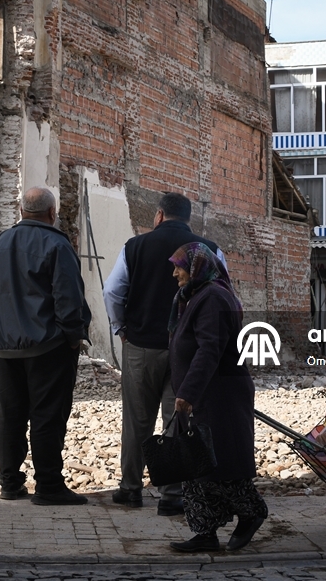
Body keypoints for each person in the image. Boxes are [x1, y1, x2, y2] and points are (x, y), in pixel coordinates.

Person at [103, 193, 224, 516]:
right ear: (188, 220)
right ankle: (172, 494)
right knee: (177, 418)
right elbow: (224, 293)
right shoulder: (209, 249)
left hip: (142, 345)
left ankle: (130, 489)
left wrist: (122, 328)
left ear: (158, 216)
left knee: (136, 421)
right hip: (186, 351)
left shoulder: (135, 246)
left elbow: (113, 291)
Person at [0, 187, 92, 505]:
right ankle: (49, 486)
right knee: (47, 416)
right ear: (52, 213)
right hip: (48, 347)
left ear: (20, 210)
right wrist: (72, 335)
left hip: (6, 348)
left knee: (10, 415)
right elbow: (68, 298)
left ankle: (10, 484)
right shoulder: (56, 244)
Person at [166, 242, 268, 553]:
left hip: (218, 395)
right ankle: (205, 532)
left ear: (196, 267)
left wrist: (186, 392)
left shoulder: (211, 297)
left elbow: (209, 349)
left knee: (220, 466)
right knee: (196, 466)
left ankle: (252, 512)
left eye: (179, 266)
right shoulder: (196, 296)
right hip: (204, 395)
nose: (175, 273)